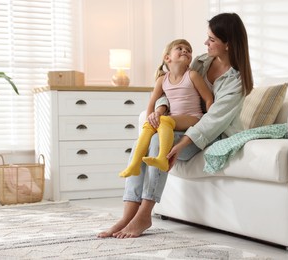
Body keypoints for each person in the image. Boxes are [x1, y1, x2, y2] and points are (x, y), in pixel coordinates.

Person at [98, 12, 253, 239]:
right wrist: (160, 109)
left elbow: (213, 120)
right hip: (178, 125)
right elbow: (170, 88)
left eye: (211, 39)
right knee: (143, 143)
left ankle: (145, 213)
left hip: (208, 135)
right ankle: (127, 215)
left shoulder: (236, 82)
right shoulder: (200, 62)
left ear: (227, 44)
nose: (205, 43)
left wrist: (182, 145)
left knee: (160, 144)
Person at [119, 39, 213, 178]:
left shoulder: (192, 75)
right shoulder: (162, 80)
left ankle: (162, 158)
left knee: (164, 120)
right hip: (172, 120)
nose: (185, 51)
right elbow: (152, 103)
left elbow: (208, 98)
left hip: (193, 118)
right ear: (167, 58)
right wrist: (149, 122)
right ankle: (134, 165)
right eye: (180, 48)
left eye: (188, 50)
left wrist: (209, 119)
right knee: (149, 127)